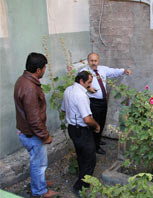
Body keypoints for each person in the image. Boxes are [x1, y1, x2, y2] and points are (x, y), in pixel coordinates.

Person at [14, 52, 57, 197]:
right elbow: (33, 119)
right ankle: (40, 191)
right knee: (38, 164)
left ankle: (40, 182)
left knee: (37, 162)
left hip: (25, 131)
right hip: (32, 134)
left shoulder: (22, 80)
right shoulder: (30, 88)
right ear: (38, 70)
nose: (45, 70)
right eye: (44, 67)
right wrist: (45, 136)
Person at [79, 52, 132, 155]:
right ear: (88, 61)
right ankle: (95, 146)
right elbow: (79, 82)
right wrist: (88, 88)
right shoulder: (84, 72)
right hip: (92, 102)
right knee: (95, 123)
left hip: (103, 101)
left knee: (102, 122)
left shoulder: (102, 69)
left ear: (98, 61)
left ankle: (97, 140)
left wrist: (124, 71)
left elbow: (114, 72)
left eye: (95, 60)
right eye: (91, 61)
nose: (94, 63)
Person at [61, 71, 100, 194]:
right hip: (81, 130)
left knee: (81, 154)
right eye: (88, 82)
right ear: (81, 81)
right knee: (90, 158)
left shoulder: (68, 90)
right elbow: (87, 119)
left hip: (72, 128)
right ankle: (80, 187)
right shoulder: (81, 95)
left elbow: (63, 109)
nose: (90, 85)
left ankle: (82, 176)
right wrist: (96, 126)